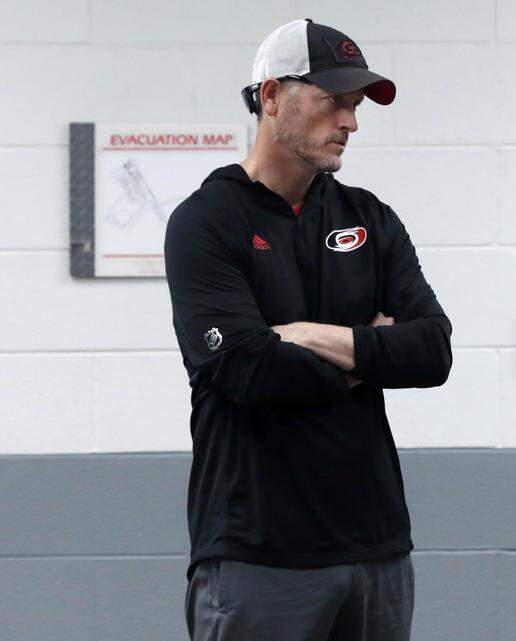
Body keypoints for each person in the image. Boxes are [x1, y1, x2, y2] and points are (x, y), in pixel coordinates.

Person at [164, 18, 452, 641]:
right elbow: (249, 367)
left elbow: (432, 351)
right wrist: (373, 348)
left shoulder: (368, 217)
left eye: (354, 106)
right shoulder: (205, 223)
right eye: (334, 102)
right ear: (272, 97)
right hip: (257, 551)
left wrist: (310, 336)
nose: (350, 121)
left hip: (376, 546)